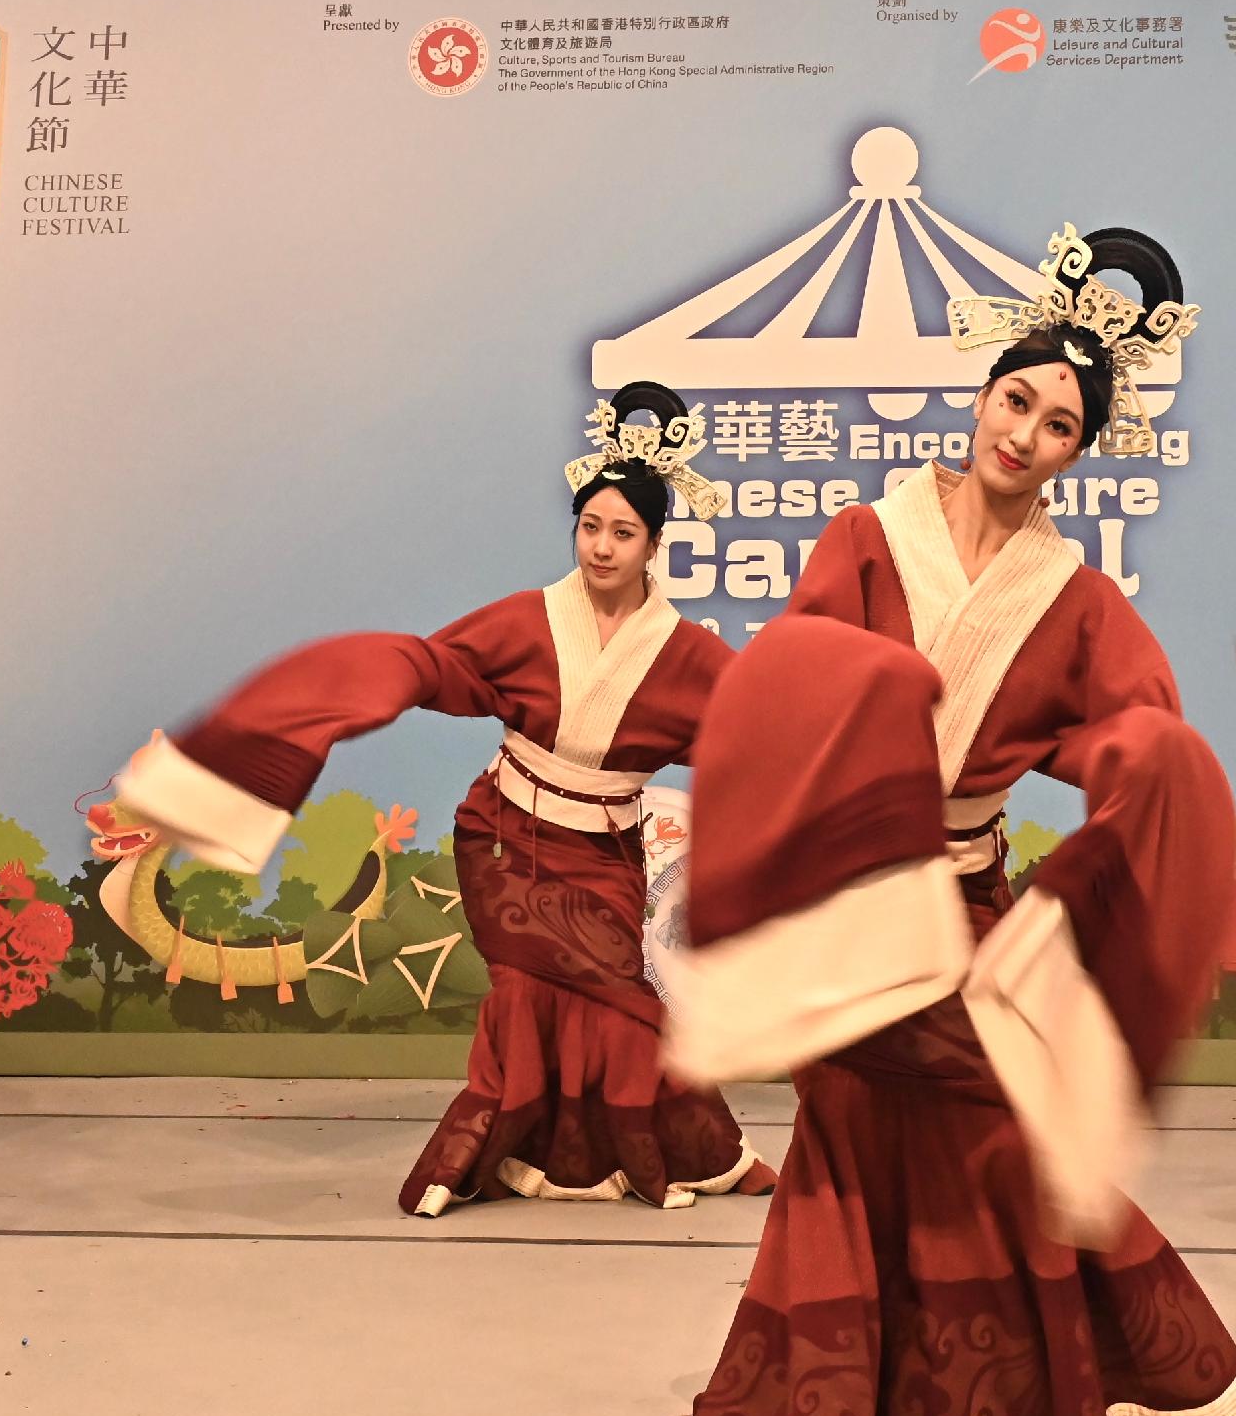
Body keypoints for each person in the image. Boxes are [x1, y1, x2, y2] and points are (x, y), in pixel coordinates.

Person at [643, 224, 1236, 1416]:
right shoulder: (870, 532)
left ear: (1079, 450)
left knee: (974, 1128)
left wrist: (1140, 763)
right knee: (951, 1124)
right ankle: (1174, 1375)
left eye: (1057, 422)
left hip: (968, 896)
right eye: (1017, 398)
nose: (1027, 430)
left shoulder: (1075, 596)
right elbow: (800, 673)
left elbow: (1120, 726)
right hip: (848, 897)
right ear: (982, 395)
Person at [104, 383, 767, 1216]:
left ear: (654, 544)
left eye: (623, 533)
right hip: (505, 835)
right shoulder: (528, 620)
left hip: (601, 849)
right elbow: (438, 664)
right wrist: (372, 686)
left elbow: (757, 733)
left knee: (623, 1003)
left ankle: (670, 1150)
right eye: (589, 527)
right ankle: (482, 1154)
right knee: (523, 997)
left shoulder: (690, 655)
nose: (602, 547)